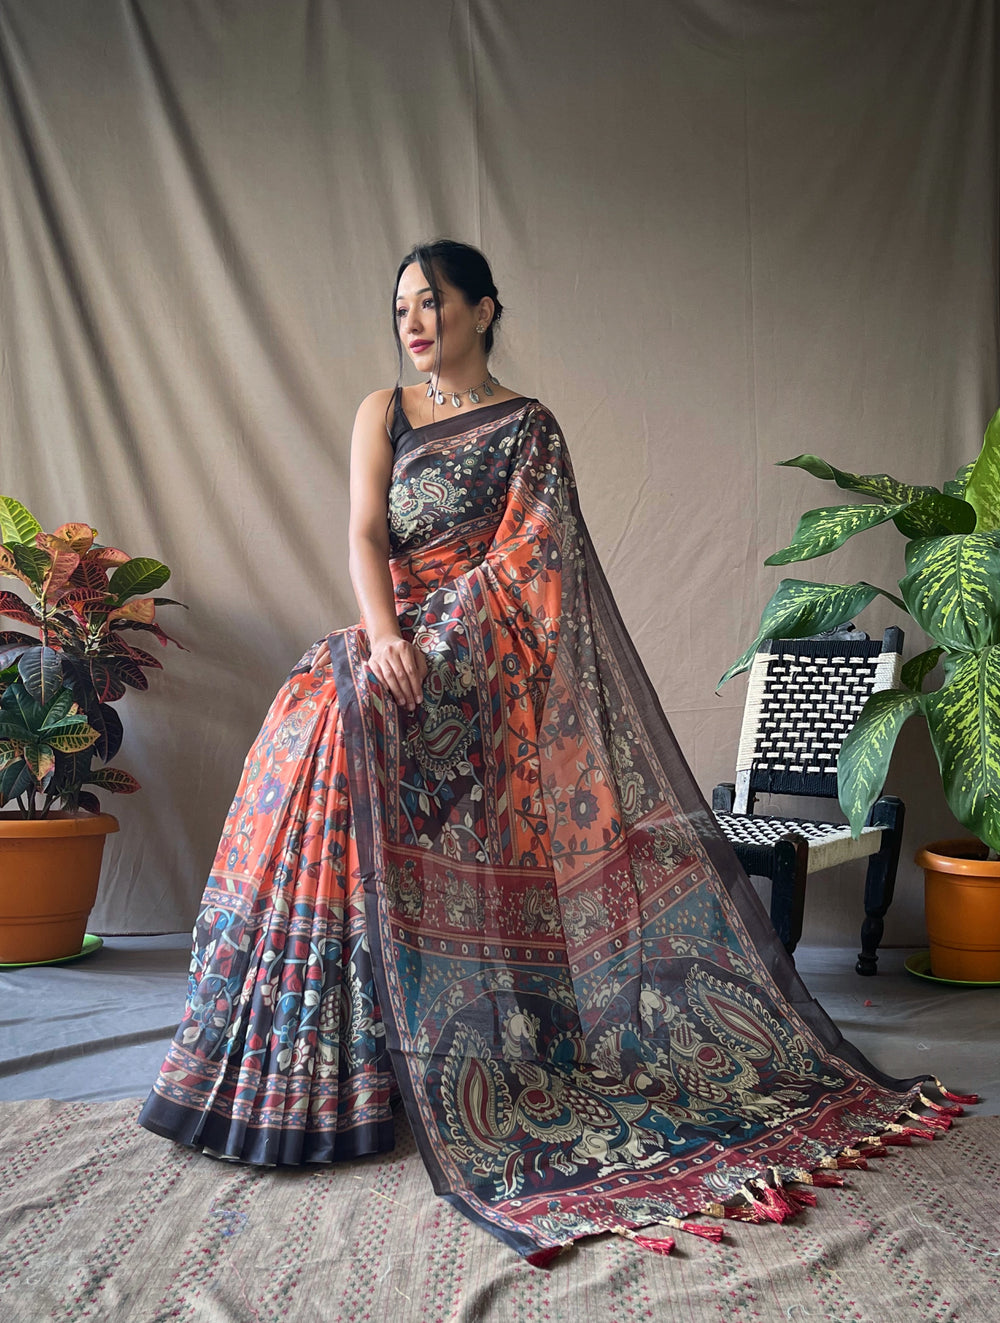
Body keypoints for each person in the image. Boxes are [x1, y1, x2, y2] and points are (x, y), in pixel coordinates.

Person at [138, 238, 967, 1264]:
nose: (413, 320)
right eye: (401, 305)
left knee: (358, 722)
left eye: (432, 303)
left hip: (484, 666)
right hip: (398, 637)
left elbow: (538, 568)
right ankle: (310, 1069)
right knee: (314, 722)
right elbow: (362, 535)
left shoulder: (529, 429)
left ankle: (421, 1059)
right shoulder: (381, 411)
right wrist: (391, 637)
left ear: (484, 310)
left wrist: (438, 651)